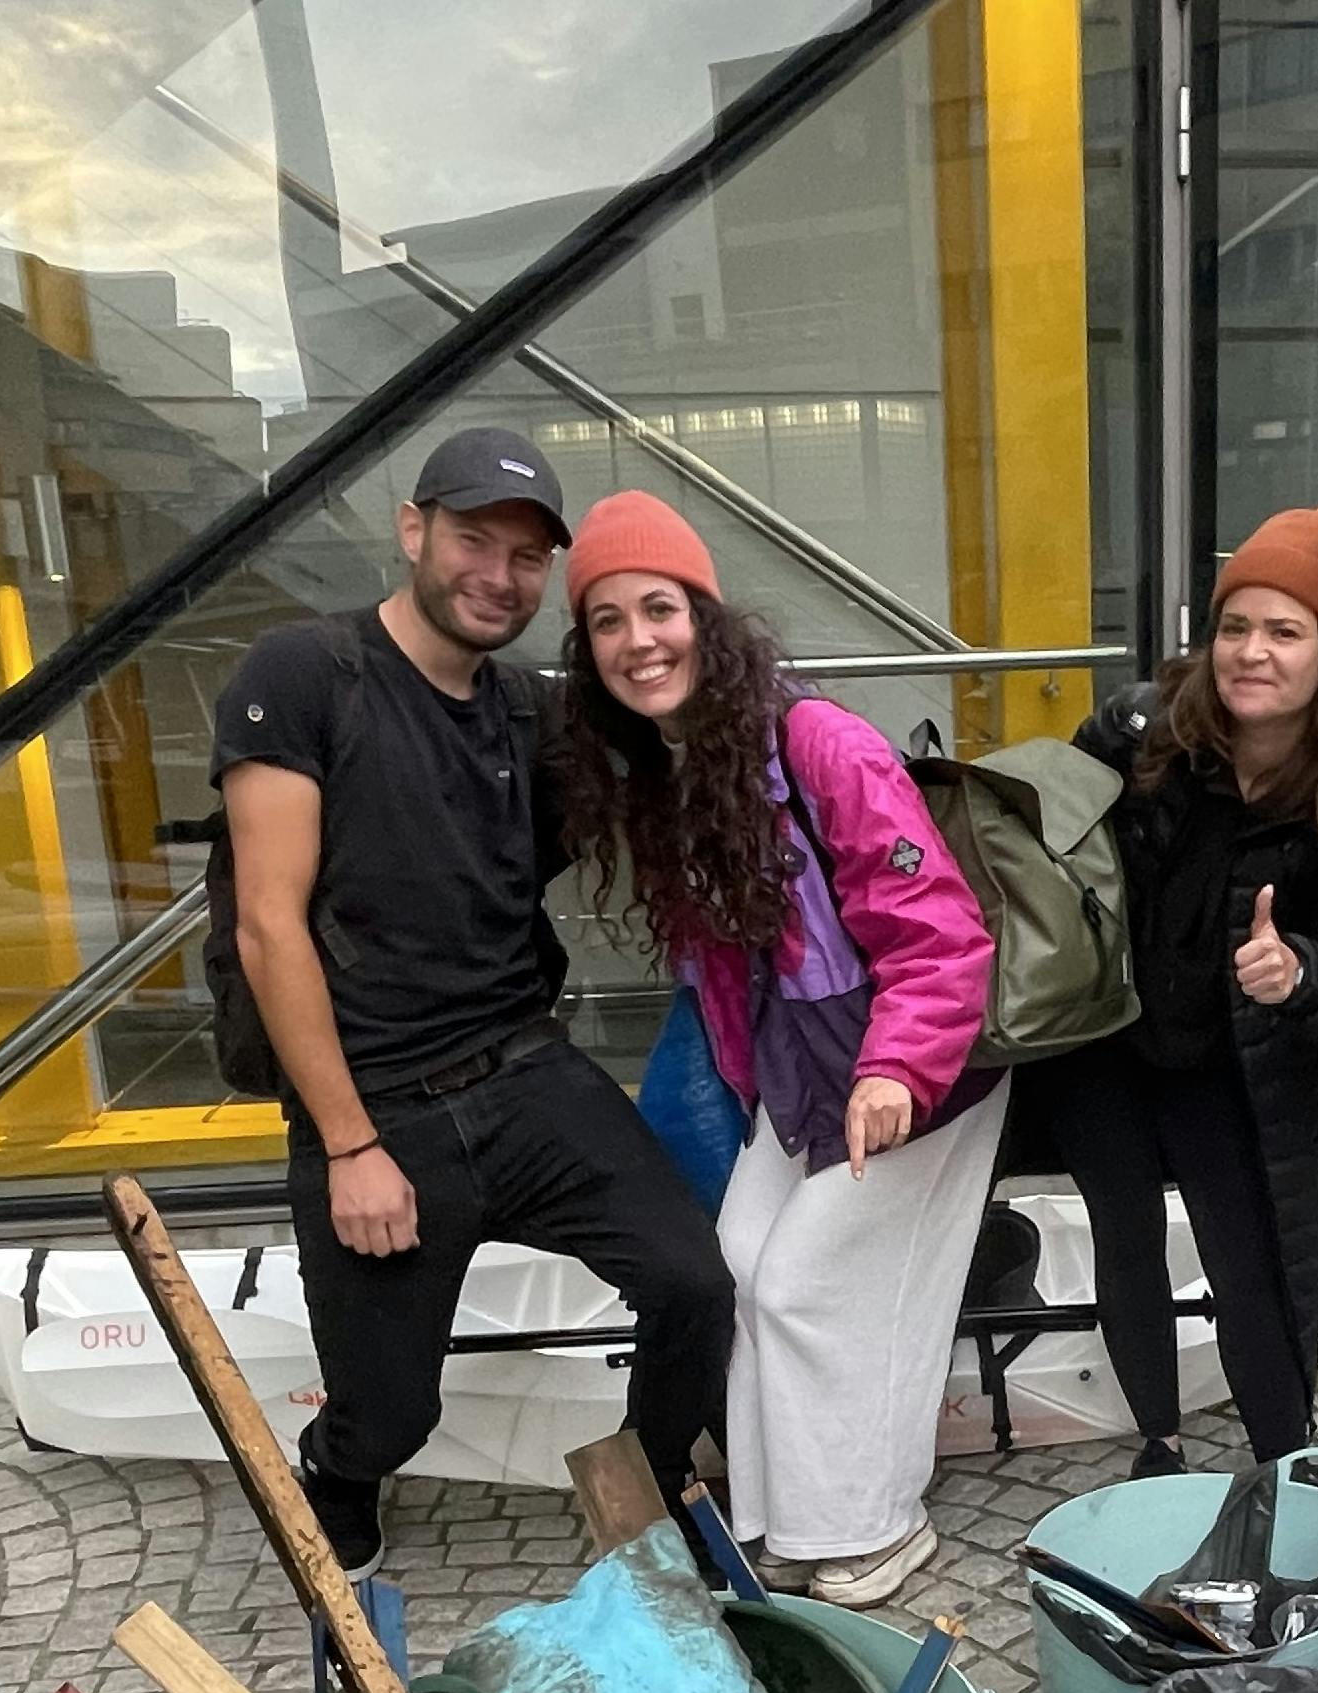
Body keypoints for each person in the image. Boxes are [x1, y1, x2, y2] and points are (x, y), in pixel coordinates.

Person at [211, 428, 733, 1572]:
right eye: (472, 541)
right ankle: (338, 1469)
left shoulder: (531, 712)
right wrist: (349, 1146)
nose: (498, 575)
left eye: (526, 557)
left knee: (692, 1283)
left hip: (523, 1072)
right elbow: (267, 927)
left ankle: (642, 1498)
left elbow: (679, 740)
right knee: (392, 1417)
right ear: (413, 531)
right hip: (375, 1105)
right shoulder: (305, 676)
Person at [551, 491, 999, 1608]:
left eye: (658, 608)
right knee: (743, 1264)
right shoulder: (671, 772)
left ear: (705, 617)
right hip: (807, 1073)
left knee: (807, 1281)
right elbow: (727, 973)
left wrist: (896, 1068)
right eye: (607, 620)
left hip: (915, 1065)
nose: (637, 639)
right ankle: (789, 1521)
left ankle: (877, 1526)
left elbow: (937, 930)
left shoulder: (818, 743)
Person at [1019, 508, 1318, 1474]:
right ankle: (1159, 1438)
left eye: (1285, 631)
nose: (1252, 652)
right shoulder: (1138, 729)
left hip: (1234, 1057)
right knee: (1126, 1233)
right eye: (1236, 626)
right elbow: (1052, 851)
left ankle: (1285, 1459)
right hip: (1100, 1037)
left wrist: (1299, 972)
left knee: (1251, 1262)